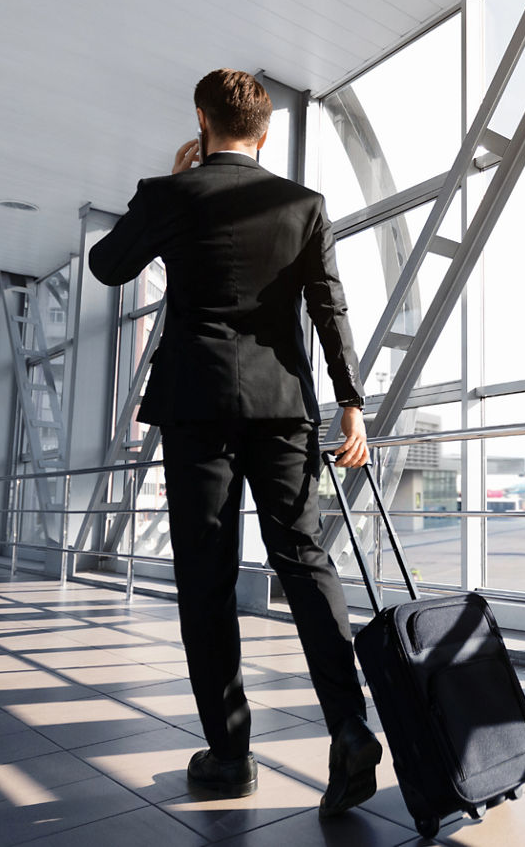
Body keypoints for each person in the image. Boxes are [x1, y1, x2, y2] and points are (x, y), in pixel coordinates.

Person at [88, 68, 381, 818]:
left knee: (207, 577)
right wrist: (351, 403)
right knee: (304, 561)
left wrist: (168, 187)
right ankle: (350, 728)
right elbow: (330, 309)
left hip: (197, 407)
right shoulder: (303, 205)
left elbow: (108, 265)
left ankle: (229, 754)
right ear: (266, 131)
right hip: (284, 409)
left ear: (202, 119)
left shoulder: (170, 194)